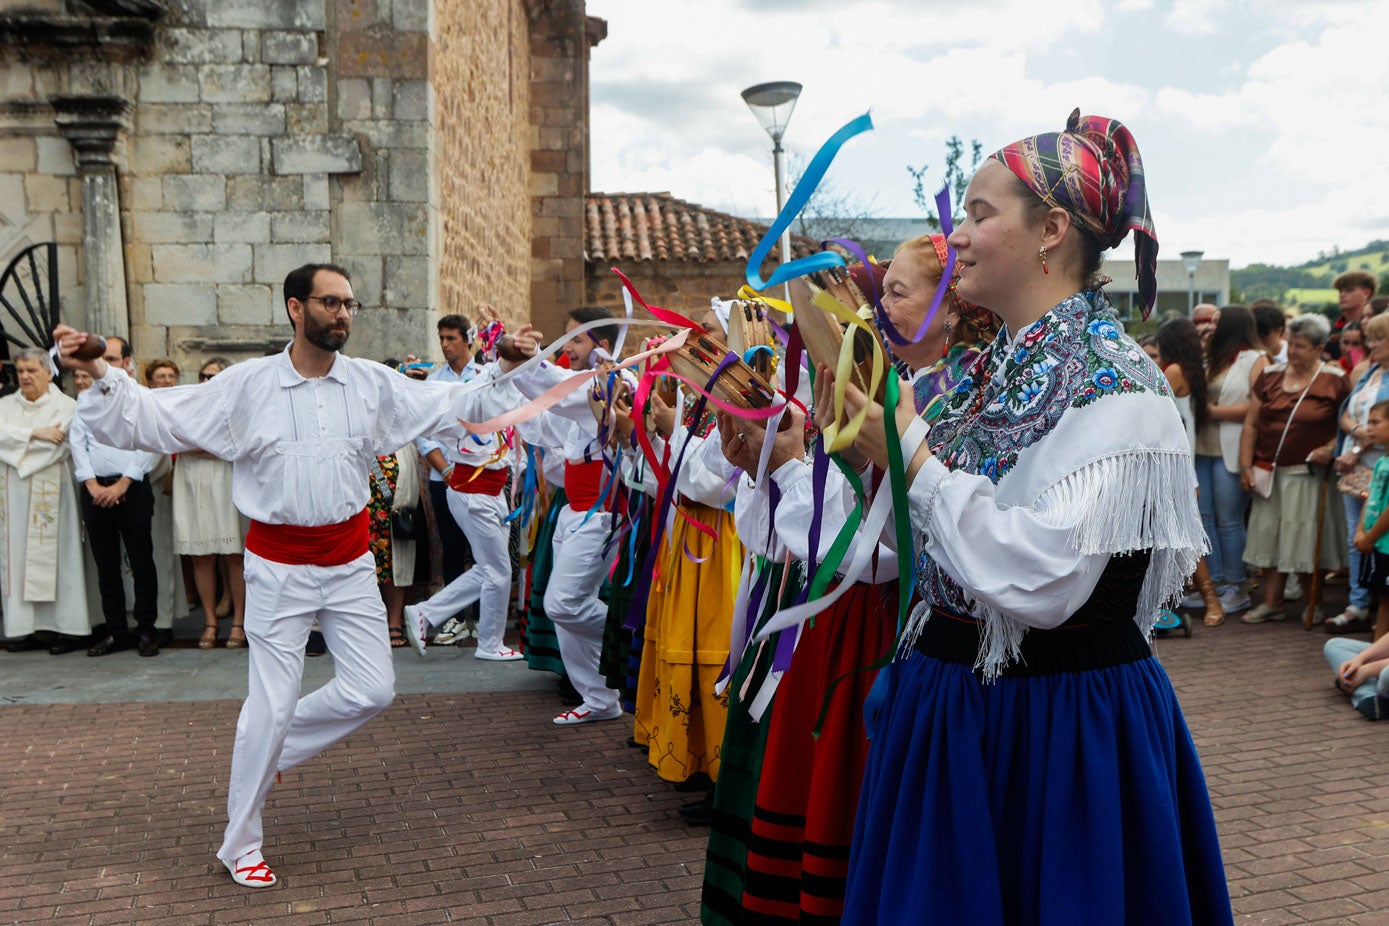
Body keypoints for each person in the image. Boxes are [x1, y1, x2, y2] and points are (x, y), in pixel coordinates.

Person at [828, 110, 1232, 924]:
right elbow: (911, 552)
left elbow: (1042, 579)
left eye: (979, 214)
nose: (960, 237)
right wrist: (859, 456)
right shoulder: (982, 374)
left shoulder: (1119, 386)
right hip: (957, 712)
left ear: (1050, 229)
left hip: (1052, 731)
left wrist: (906, 450)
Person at [54, 262, 507, 889]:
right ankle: (241, 843)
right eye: (329, 303)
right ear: (296, 308)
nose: (342, 313)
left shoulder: (373, 384)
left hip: (350, 565)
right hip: (277, 567)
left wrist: (513, 367)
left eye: (349, 303)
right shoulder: (247, 386)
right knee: (267, 707)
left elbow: (454, 401)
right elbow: (157, 416)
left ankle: (273, 755)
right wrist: (101, 370)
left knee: (374, 690)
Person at [494, 307, 625, 724]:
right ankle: (601, 700)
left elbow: (557, 391)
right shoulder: (582, 394)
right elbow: (543, 425)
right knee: (569, 612)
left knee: (563, 605)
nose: (568, 347)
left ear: (602, 346)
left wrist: (524, 363)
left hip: (601, 516)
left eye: (577, 340)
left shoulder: (615, 386)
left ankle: (638, 638)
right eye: (567, 339)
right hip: (574, 513)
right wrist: (514, 366)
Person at [1239, 313, 1349, 623]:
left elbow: (1346, 425)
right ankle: (1272, 602)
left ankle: (1311, 601)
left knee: (1307, 537)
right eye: (1293, 343)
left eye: (1301, 346)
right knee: (1269, 536)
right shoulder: (1271, 375)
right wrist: (1246, 465)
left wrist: (1329, 448)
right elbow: (1251, 423)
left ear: (1318, 347)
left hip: (1310, 475)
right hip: (1269, 472)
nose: (1294, 351)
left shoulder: (1335, 379)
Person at [71, 349, 161, 658]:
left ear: (126, 363)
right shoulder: (85, 399)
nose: (103, 366)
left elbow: (149, 440)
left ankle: (147, 629)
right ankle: (116, 630)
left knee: (141, 561)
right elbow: (77, 443)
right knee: (106, 563)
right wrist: (93, 484)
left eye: (110, 359)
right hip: (96, 488)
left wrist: (124, 482)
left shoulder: (142, 396)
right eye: (101, 359)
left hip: (131, 488)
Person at [0, 348, 90, 655]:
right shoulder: (5, 405)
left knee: (61, 558)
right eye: (20, 371)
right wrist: (34, 434)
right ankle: (26, 628)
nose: (24, 376)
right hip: (12, 497)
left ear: (47, 373)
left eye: (31, 371)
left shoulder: (66, 406)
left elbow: (60, 446)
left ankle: (67, 627)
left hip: (54, 490)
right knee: (18, 560)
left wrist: (15, 445)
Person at [414, 314, 484, 643]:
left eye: (451, 338)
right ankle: (457, 618)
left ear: (467, 340)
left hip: (481, 476)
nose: (444, 345)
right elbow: (425, 433)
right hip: (444, 478)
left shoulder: (483, 377)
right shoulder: (434, 381)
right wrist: (446, 470)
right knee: (452, 548)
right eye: (441, 338)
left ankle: (485, 616)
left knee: (484, 549)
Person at [1194, 305, 1268, 614]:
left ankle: (1237, 585)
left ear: (1234, 325)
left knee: (1229, 520)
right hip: (1201, 447)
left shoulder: (1256, 359)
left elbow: (1257, 409)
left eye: (1218, 321)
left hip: (1232, 448)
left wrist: (1211, 412)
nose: (1211, 325)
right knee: (1205, 520)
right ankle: (1214, 583)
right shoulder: (1208, 356)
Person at [1156, 317, 1227, 624]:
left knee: (1185, 535)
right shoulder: (1193, 370)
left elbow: (1163, 420)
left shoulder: (1172, 371)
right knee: (1180, 534)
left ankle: (1211, 601)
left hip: (1175, 464)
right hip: (1183, 461)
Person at [172, 357, 247, 649]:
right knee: (201, 555)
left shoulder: (239, 410)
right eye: (203, 375)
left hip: (228, 482)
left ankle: (239, 622)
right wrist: (214, 446)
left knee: (234, 555)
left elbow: (240, 445)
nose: (206, 381)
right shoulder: (186, 406)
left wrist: (201, 446)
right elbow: (175, 439)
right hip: (192, 483)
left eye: (213, 376)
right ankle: (210, 622)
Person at [1324, 399, 1389, 719]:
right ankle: (1368, 694)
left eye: (1378, 422)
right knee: (1335, 648)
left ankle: (1367, 688)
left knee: (1385, 673)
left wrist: (1370, 667)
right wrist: (1361, 662)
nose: (1370, 427)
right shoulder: (1380, 463)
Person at [1328, 311, 1389, 633]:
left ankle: (1379, 605)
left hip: (1378, 464)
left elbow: (1383, 426)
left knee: (1379, 537)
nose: (1372, 344)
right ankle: (1359, 601)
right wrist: (1354, 437)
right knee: (1357, 538)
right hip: (1360, 467)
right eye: (1372, 338)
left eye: (1380, 338)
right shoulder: (1369, 371)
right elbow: (1347, 415)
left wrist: (1355, 448)